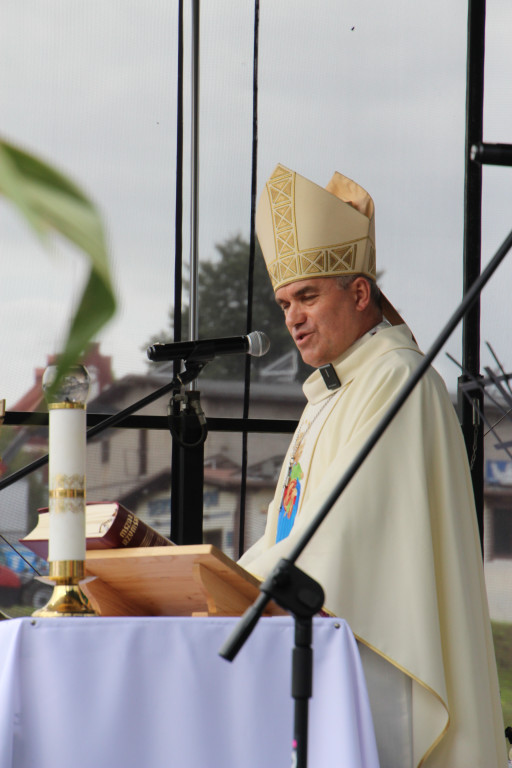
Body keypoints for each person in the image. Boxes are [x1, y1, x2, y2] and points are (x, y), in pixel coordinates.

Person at [238, 164, 507, 768]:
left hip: (380, 661)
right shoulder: (329, 394)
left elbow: (345, 537)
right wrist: (228, 579)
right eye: (285, 303)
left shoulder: (395, 379)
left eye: (308, 296)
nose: (293, 319)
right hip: (330, 649)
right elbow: (290, 530)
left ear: (360, 295)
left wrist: (239, 587)